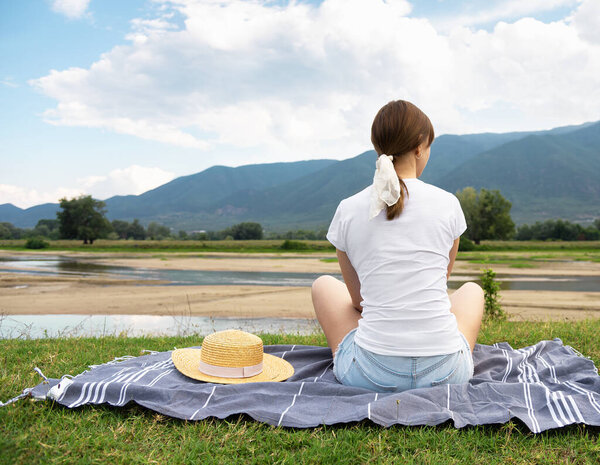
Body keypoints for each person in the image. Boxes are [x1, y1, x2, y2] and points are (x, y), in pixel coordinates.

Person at [311, 100, 485, 393]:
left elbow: (358, 302)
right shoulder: (448, 204)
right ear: (419, 146)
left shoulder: (348, 208)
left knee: (323, 286)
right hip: (447, 373)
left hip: (370, 374)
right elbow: (438, 285)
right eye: (429, 146)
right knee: (473, 291)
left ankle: (377, 351)